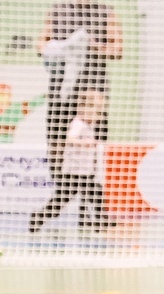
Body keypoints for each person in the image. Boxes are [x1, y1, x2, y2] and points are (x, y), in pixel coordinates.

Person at [36, 0, 122, 216]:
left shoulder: (106, 12)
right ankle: (61, 195)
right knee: (57, 143)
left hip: (91, 93)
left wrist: (89, 45)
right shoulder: (58, 10)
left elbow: (117, 49)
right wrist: (62, 47)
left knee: (92, 147)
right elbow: (41, 44)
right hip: (61, 89)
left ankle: (89, 208)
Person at [28, 90, 109, 233]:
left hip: (85, 172)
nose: (96, 116)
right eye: (94, 112)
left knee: (96, 194)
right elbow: (69, 138)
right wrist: (82, 143)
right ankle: (38, 217)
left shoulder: (89, 125)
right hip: (73, 173)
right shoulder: (78, 124)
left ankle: (101, 221)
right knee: (60, 202)